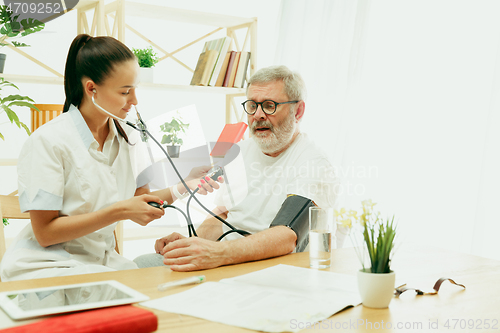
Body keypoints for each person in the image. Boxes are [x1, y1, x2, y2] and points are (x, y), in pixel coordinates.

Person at [0, 34, 221, 282]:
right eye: (125, 91)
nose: (134, 101)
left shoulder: (128, 138)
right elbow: (45, 234)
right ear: (91, 89)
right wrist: (118, 211)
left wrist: (183, 186)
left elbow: (138, 200)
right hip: (48, 264)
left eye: (135, 89)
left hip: (103, 262)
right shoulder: (47, 142)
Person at [135, 65, 338, 271]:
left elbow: (287, 235)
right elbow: (224, 214)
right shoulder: (239, 152)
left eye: (269, 105)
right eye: (252, 105)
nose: (258, 115)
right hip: (227, 259)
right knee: (141, 266)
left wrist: (217, 253)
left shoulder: (313, 163)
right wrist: (192, 242)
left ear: (298, 111)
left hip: (272, 268)